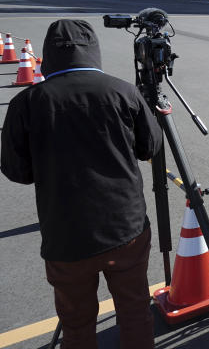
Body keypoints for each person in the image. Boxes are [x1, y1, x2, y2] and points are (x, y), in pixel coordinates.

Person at [1, 19, 163, 349]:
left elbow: (16, 171)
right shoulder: (123, 91)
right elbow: (150, 148)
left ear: (48, 54)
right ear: (93, 51)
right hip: (125, 229)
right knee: (134, 314)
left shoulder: (26, 103)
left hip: (66, 237)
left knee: (76, 325)